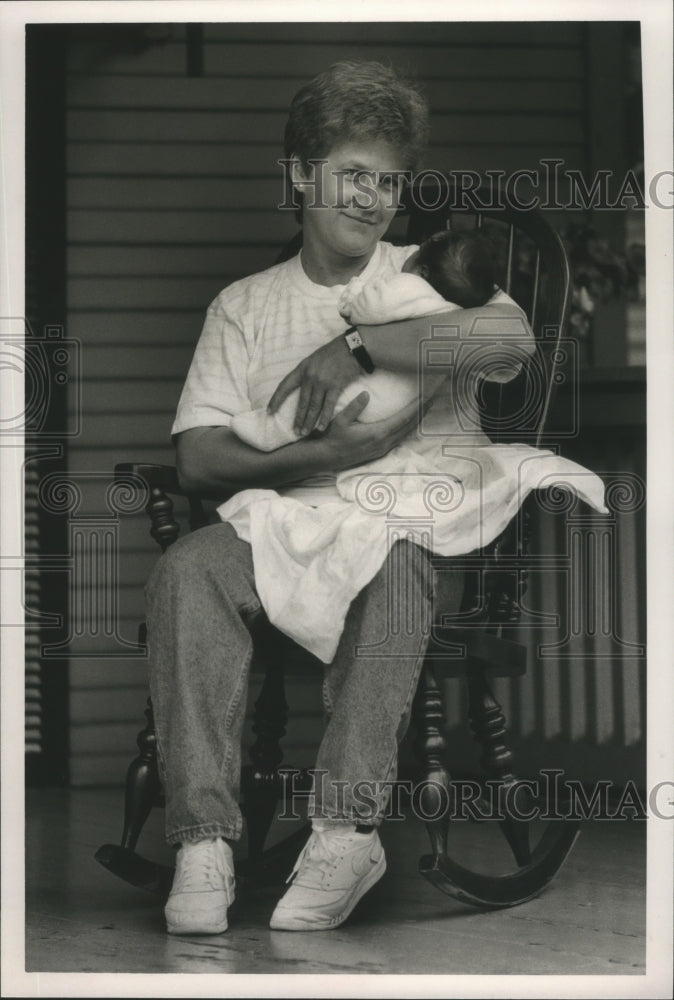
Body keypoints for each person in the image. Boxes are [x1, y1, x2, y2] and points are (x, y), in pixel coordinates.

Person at [146, 60, 536, 937]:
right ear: (297, 176)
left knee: (396, 564)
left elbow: (513, 337)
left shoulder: (427, 274)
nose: (373, 198)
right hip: (278, 527)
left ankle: (344, 831)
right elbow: (199, 462)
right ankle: (203, 838)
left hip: (399, 525)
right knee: (185, 571)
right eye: (352, 175)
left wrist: (358, 348)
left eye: (389, 180)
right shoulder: (244, 306)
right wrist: (329, 450)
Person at [230, 229, 497, 452]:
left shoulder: (410, 284)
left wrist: (353, 302)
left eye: (389, 182)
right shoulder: (455, 309)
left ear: (423, 272)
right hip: (404, 401)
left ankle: (268, 430)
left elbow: (370, 308)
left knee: (311, 400)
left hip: (373, 394)